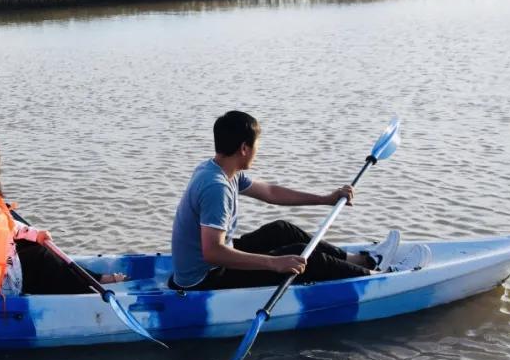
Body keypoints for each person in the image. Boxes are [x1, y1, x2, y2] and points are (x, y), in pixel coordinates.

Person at [170, 110, 424, 291]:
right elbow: (213, 253)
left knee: (281, 230)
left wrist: (326, 199)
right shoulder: (217, 187)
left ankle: (365, 260)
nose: (258, 150)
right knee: (303, 258)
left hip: (206, 265)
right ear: (244, 149)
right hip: (204, 280)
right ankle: (379, 277)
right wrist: (274, 263)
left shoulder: (219, 169)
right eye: (257, 145)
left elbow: (271, 192)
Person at [0, 132, 124, 296]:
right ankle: (92, 289)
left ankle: (91, 280)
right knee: (40, 257)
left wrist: (35, 234)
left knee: (33, 246)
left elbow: (6, 225)